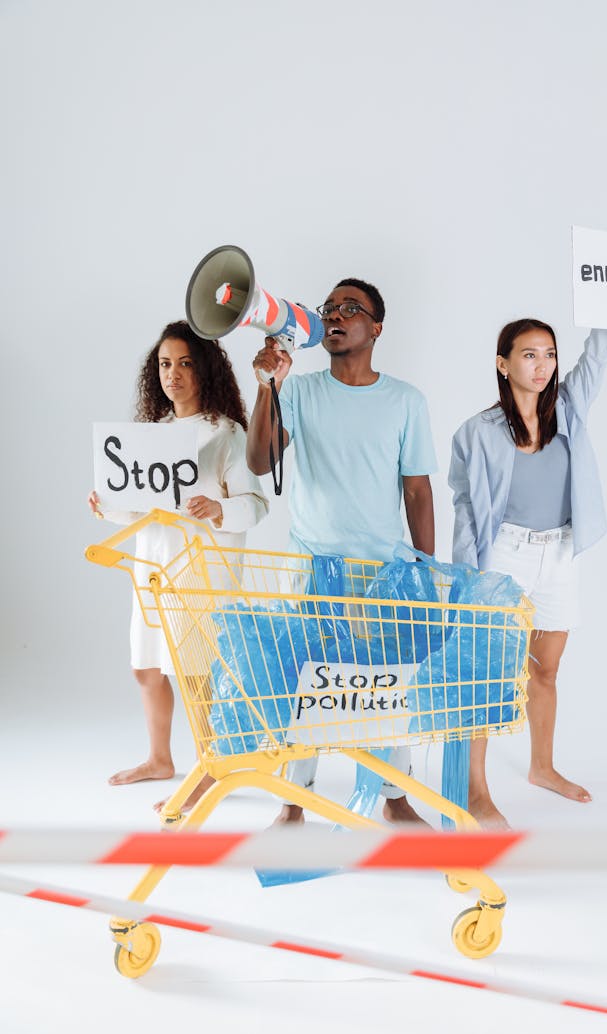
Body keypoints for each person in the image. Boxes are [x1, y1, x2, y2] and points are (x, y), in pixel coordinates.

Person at [448, 224, 607, 828]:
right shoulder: (476, 432)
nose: (543, 363)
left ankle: (542, 766)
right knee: (485, 672)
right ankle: (475, 790)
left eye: (550, 353)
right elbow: (466, 508)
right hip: (502, 556)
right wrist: (469, 577)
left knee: (545, 668)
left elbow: (602, 350)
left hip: (560, 553)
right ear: (503, 364)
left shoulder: (570, 410)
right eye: (530, 354)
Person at [247, 277, 438, 824]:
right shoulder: (301, 391)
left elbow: (417, 490)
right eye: (329, 308)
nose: (336, 315)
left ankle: (394, 797)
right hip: (311, 568)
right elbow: (261, 463)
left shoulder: (405, 401)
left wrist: (424, 571)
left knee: (387, 684)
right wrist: (268, 386)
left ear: (376, 327)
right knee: (305, 682)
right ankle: (292, 802)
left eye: (351, 308)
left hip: (383, 572)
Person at [89, 320, 269, 790]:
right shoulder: (152, 436)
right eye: (166, 364)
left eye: (186, 363)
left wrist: (218, 509)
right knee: (146, 667)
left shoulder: (226, 434)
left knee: (195, 675)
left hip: (202, 576)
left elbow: (256, 505)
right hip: (155, 572)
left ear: (205, 370)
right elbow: (143, 510)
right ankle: (159, 759)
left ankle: (210, 769)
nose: (174, 374)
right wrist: (106, 506)